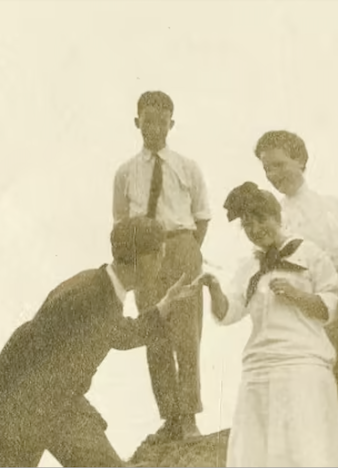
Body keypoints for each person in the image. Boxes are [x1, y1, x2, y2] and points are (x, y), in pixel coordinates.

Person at [0, 217, 210, 467]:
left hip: (63, 406)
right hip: (21, 410)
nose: (162, 264)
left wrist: (164, 304)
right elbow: (25, 341)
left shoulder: (104, 290)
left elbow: (122, 334)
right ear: (143, 259)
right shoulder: (89, 293)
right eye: (160, 256)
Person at [205, 181, 338, 467]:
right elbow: (230, 312)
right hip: (260, 367)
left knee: (304, 449)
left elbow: (331, 305)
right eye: (247, 225)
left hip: (302, 363)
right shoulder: (249, 267)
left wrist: (297, 294)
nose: (256, 229)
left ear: (277, 217)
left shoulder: (309, 253)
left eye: (261, 220)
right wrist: (213, 289)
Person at [250, 130, 338, 451]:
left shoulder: (334, 206)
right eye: (266, 169)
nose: (273, 175)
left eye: (279, 164)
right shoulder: (276, 216)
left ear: (300, 159)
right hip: (303, 313)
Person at [112, 90, 210, 441]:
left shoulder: (187, 167)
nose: (155, 127)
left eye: (162, 120)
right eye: (147, 120)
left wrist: (185, 251)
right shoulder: (125, 172)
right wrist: (140, 261)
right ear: (137, 122)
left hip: (182, 247)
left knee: (187, 333)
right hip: (144, 256)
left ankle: (189, 416)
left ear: (172, 123)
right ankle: (169, 416)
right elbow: (121, 224)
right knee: (154, 332)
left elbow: (201, 216)